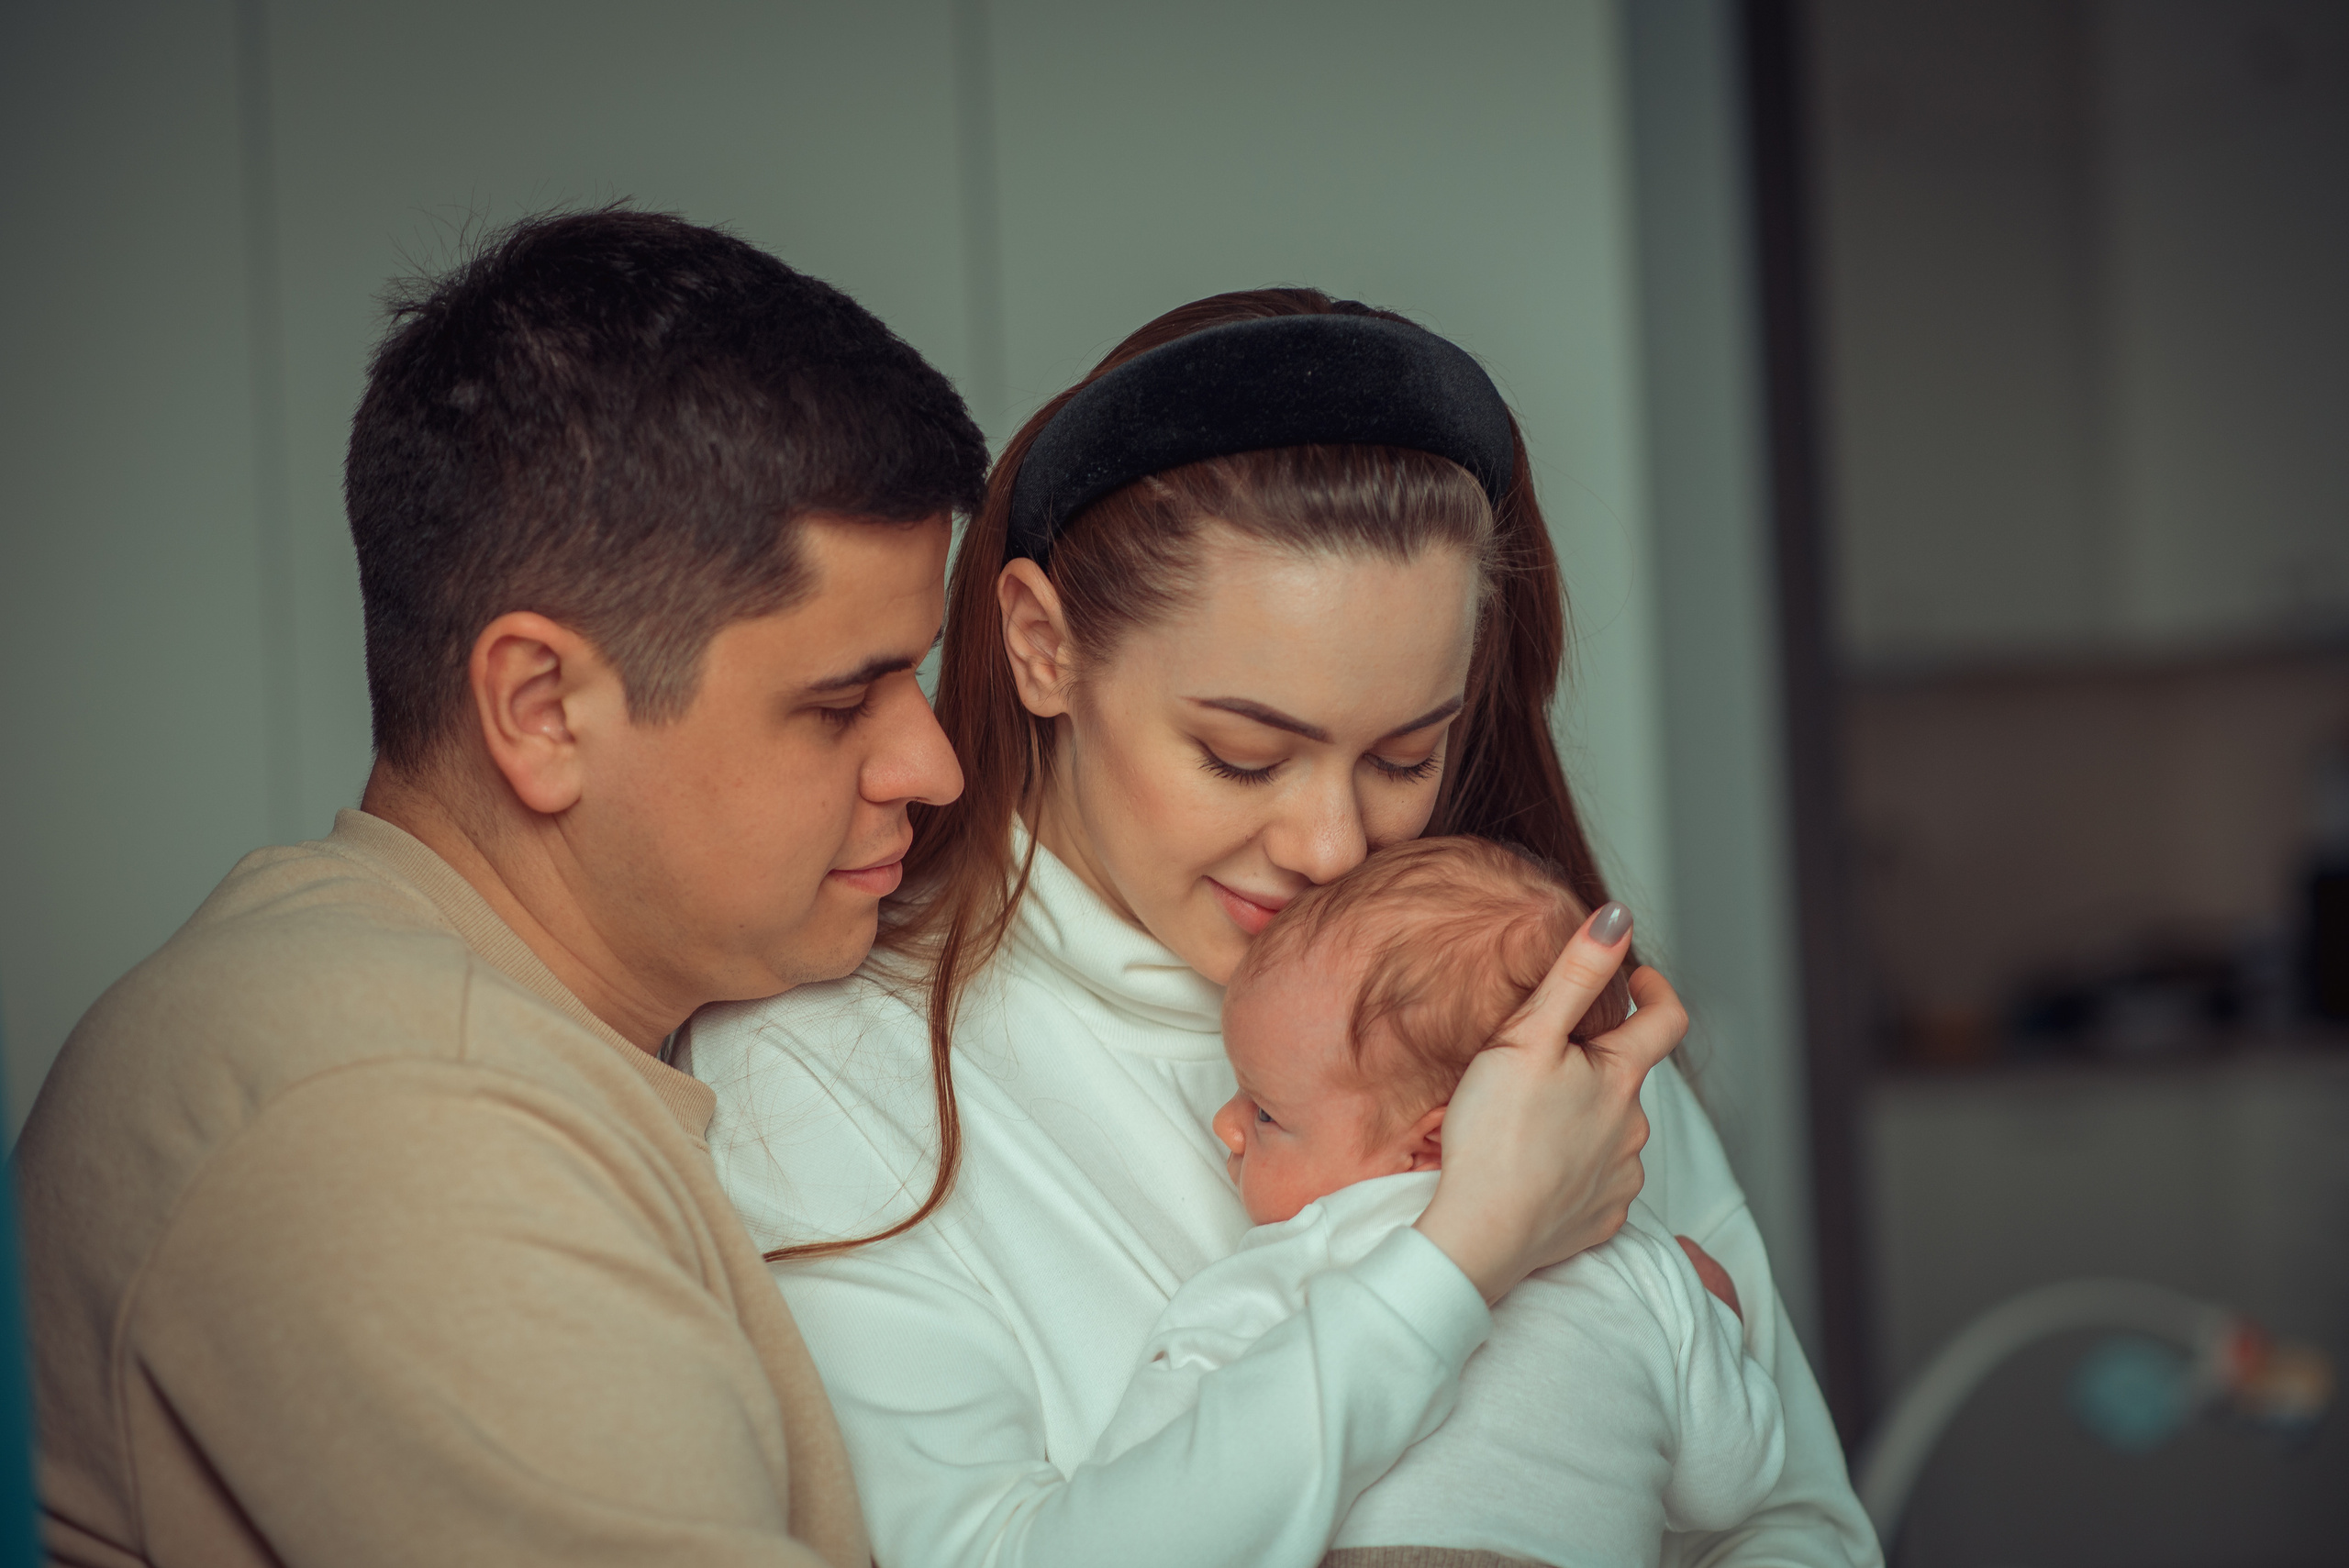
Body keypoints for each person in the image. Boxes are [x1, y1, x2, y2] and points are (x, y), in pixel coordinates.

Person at [686, 289, 1881, 1568]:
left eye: (1405, 756)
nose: (1332, 846)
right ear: (1042, 646)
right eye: (1243, 755)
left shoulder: (1524, 1013)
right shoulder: (814, 1066)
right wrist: (1463, 1253)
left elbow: (1790, 1518)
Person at [12, 207, 990, 1567]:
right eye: (839, 705)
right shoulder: (398, 1110)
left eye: (918, 676)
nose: (933, 765)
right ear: (542, 709)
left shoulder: (430, 1024)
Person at [1093, 835, 1787, 1568]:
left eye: (1265, 1113)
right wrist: (1715, 1317)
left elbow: (1144, 1488)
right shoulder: (1643, 1263)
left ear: (1430, 1145)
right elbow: (1727, 1489)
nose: (1226, 1126)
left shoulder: (1305, 1256)